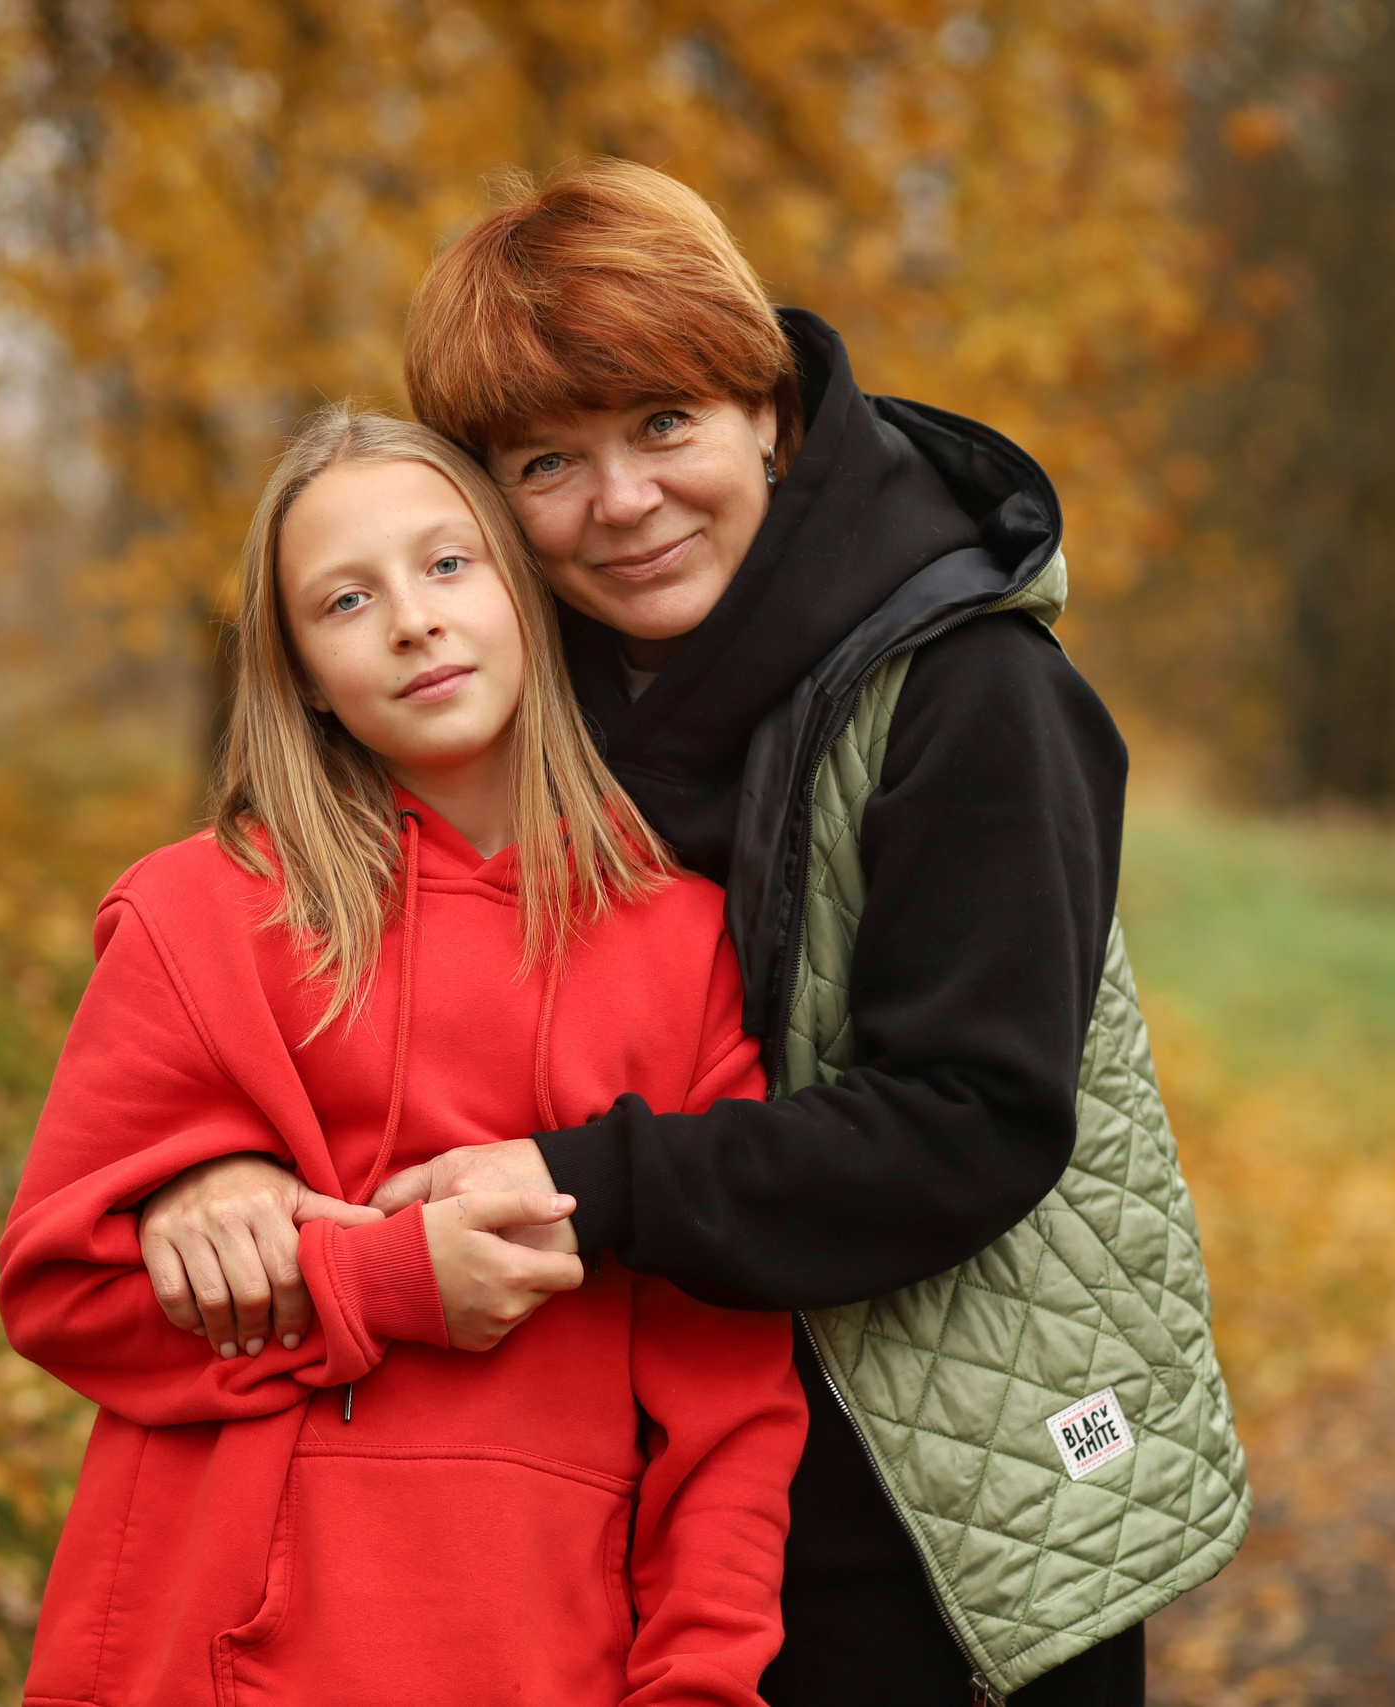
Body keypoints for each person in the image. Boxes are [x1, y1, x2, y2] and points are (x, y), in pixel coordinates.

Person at [139, 164, 1250, 1705]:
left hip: (927, 1501)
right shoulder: (535, 699)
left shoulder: (973, 699)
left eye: (665, 425)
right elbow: (368, 986)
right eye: (549, 461)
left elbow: (971, 1125)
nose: (623, 501)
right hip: (620, 1514)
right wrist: (216, 1163)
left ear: (770, 414)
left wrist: (585, 1182)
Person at [0, 406, 807, 1707]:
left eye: (447, 566)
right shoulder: (199, 916)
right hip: (202, 1647)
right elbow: (63, 1292)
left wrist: (701, 1685)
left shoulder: (689, 944)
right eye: (344, 600)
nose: (413, 622)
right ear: (304, 671)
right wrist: (377, 1282)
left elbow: (729, 1404)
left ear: (525, 595)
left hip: (537, 1651)